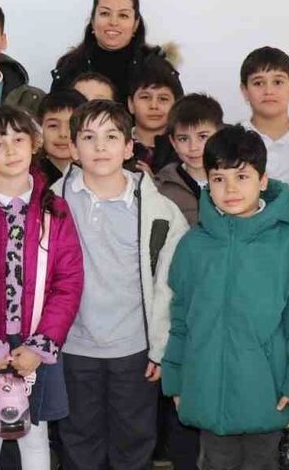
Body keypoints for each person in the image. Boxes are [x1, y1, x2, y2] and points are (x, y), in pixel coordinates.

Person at [162, 125, 289, 470]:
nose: (231, 189)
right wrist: (176, 380)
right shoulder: (193, 246)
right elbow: (180, 320)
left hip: (268, 397)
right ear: (207, 183)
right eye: (218, 179)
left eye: (242, 176)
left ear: (263, 180)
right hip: (208, 395)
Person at [51, 100, 190, 470]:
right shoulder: (51, 202)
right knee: (79, 443)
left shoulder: (160, 210)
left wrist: (161, 347)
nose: (100, 147)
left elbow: (171, 286)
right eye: (88, 137)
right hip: (72, 346)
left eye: (111, 137)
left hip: (135, 349)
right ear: (73, 148)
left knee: (134, 444)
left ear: (129, 147)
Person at [0, 106, 85, 470]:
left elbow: (68, 282)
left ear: (35, 143)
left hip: (36, 341)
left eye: (18, 139)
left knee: (34, 434)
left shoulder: (55, 209)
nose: (10, 150)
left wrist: (41, 345)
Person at [50, 0, 169, 103]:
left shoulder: (156, 69)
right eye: (105, 13)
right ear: (92, 20)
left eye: (123, 15)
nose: (113, 22)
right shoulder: (70, 67)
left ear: (136, 24)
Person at [238, 47, 289, 184]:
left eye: (278, 82)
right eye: (258, 83)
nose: (268, 91)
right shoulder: (231, 141)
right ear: (244, 91)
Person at [155, 93, 225, 226]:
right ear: (173, 142)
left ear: (219, 135)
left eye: (202, 137)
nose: (193, 147)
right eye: (183, 139)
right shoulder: (161, 188)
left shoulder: (237, 181)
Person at [127, 56, 183, 171]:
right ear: (131, 104)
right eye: (145, 97)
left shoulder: (185, 151)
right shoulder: (115, 145)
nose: (153, 105)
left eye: (163, 99)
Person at [35, 90, 84, 187]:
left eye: (71, 125)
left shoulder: (99, 173)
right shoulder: (30, 178)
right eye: (53, 125)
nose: (63, 134)